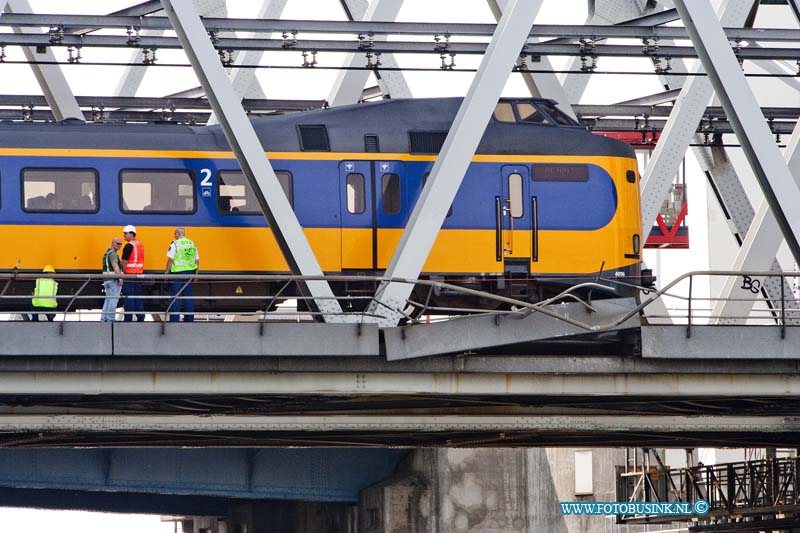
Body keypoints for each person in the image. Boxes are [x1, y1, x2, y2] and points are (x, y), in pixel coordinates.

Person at [165, 227, 199, 322]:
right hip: (190, 274)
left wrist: (167, 272)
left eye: (174, 234)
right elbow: (197, 260)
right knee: (188, 297)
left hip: (177, 273)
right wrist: (196, 275)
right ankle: (189, 319)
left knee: (175, 297)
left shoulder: (175, 243)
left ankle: (175, 320)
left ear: (177, 234)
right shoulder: (192, 244)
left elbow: (170, 259)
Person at [121, 224, 145, 322]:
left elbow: (125, 261)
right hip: (138, 275)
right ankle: (141, 317)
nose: (124, 236)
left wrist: (120, 274)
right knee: (138, 297)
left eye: (126, 234)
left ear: (132, 234)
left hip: (129, 275)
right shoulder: (140, 245)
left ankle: (128, 319)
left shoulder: (129, 246)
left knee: (129, 297)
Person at [101, 237, 124, 322]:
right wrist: (120, 277)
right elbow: (115, 266)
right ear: (113, 243)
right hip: (113, 280)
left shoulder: (107, 253)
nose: (119, 246)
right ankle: (110, 318)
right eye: (118, 243)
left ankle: (104, 318)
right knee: (113, 299)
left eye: (121, 244)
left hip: (107, 280)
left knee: (108, 299)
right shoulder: (113, 254)